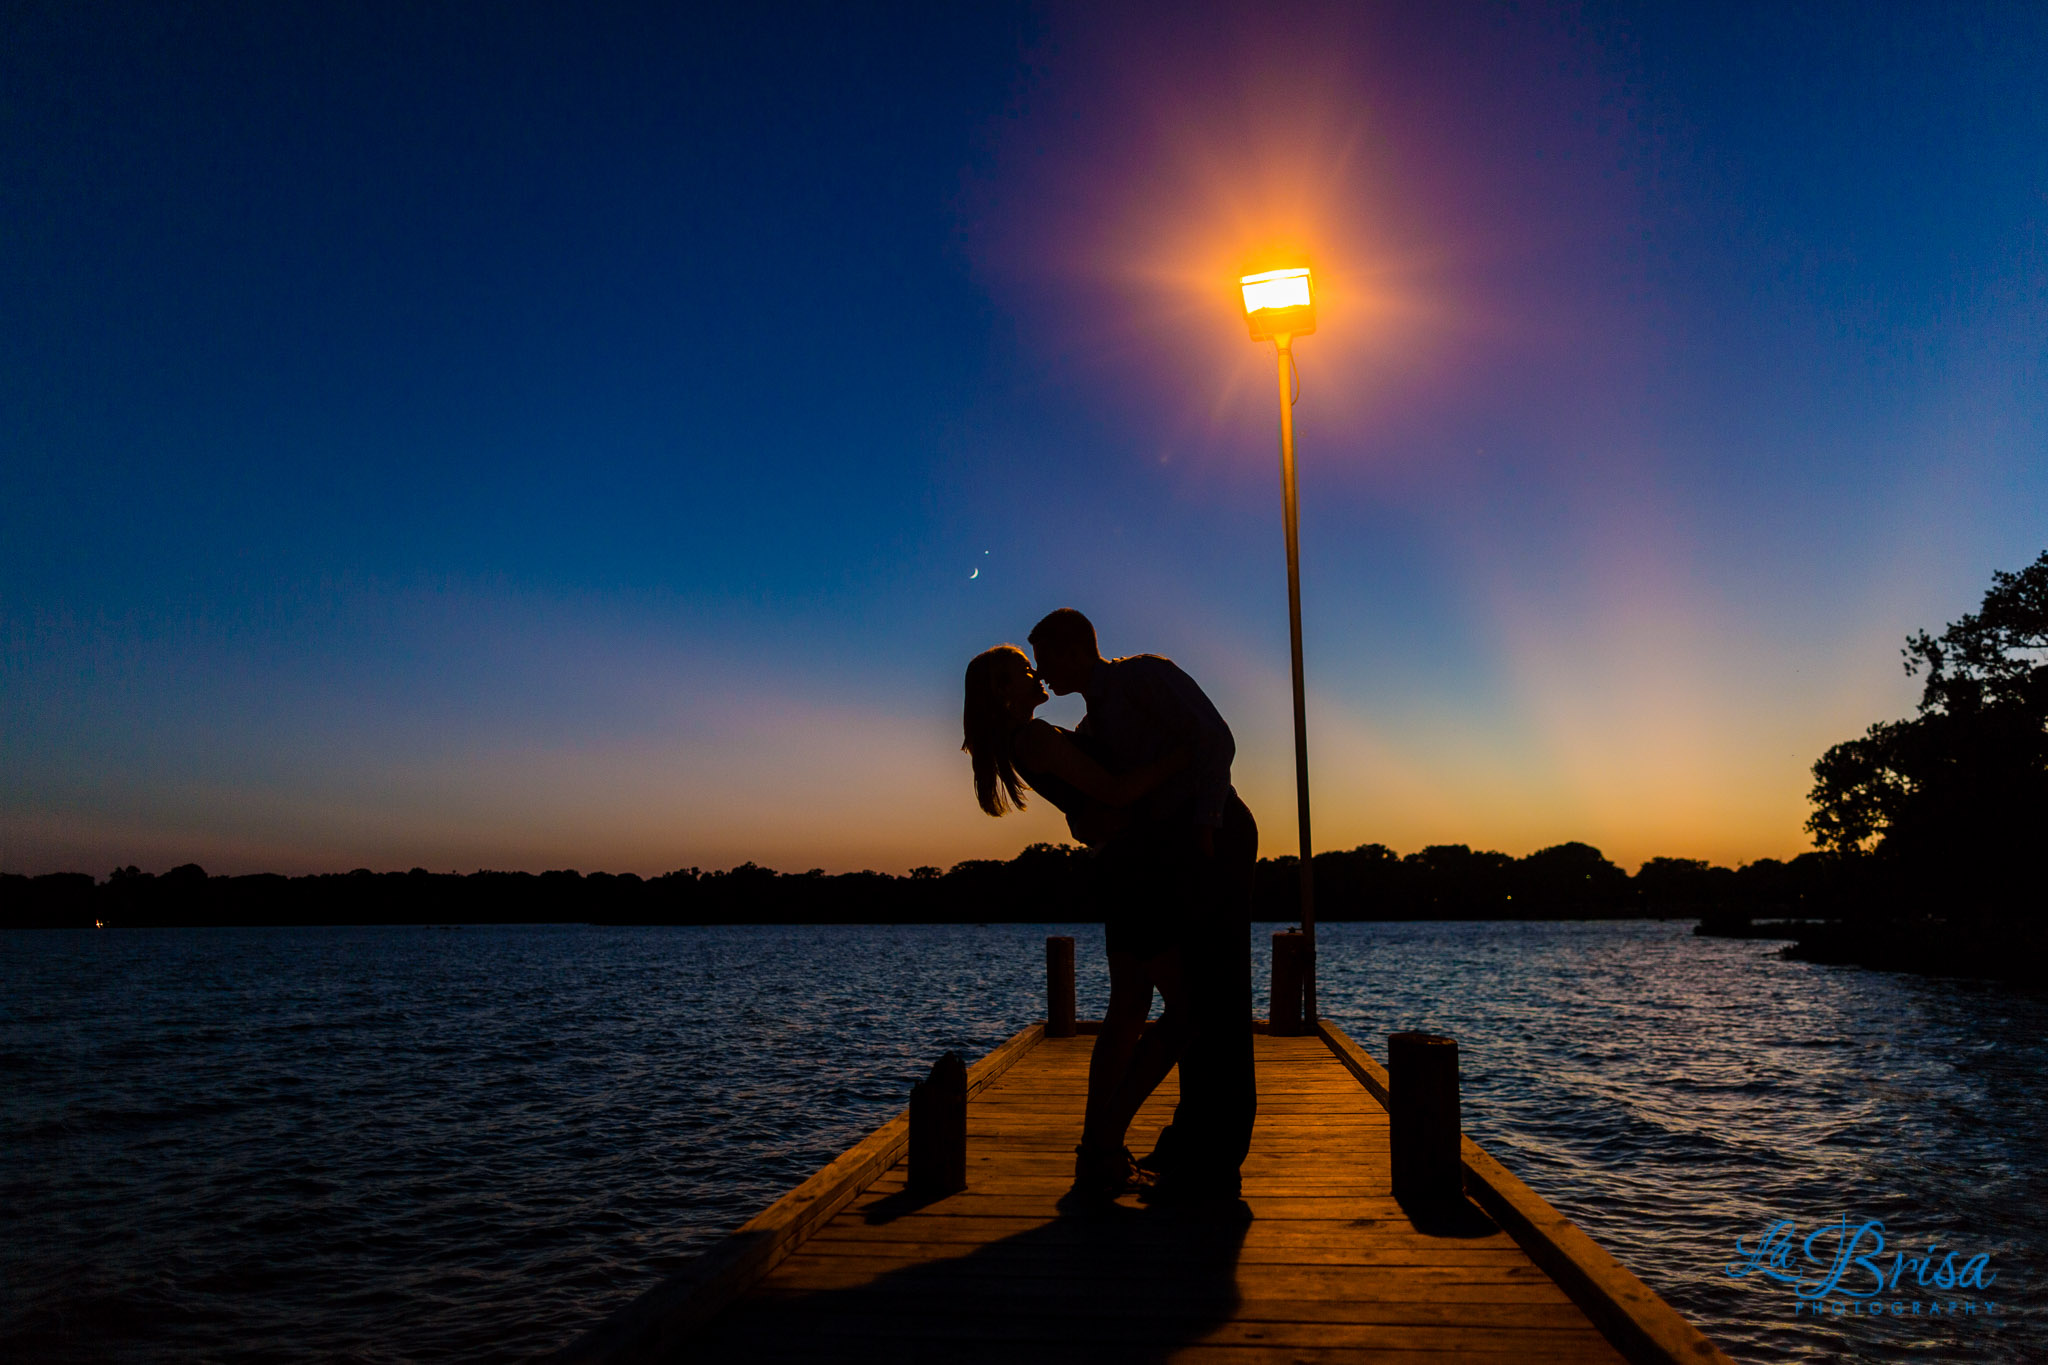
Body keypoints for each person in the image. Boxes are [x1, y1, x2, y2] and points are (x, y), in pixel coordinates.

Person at [1027, 608, 1258, 1203]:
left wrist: (1206, 825)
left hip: (1213, 835)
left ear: (1077, 649)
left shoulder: (1144, 677)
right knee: (1190, 995)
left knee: (1218, 995)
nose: (1041, 671)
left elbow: (1216, 738)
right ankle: (1189, 1139)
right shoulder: (1091, 723)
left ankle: (1218, 1154)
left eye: (1046, 657)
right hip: (1169, 854)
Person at [960, 644, 1191, 1196]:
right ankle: (1104, 1141)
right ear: (1001, 691)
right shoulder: (1035, 738)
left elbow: (1091, 798)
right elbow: (1113, 791)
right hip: (1133, 873)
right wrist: (1187, 753)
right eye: (1021, 669)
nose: (1034, 672)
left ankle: (1097, 1149)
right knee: (1189, 1010)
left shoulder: (1031, 739)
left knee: (1128, 1012)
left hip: (1120, 869)